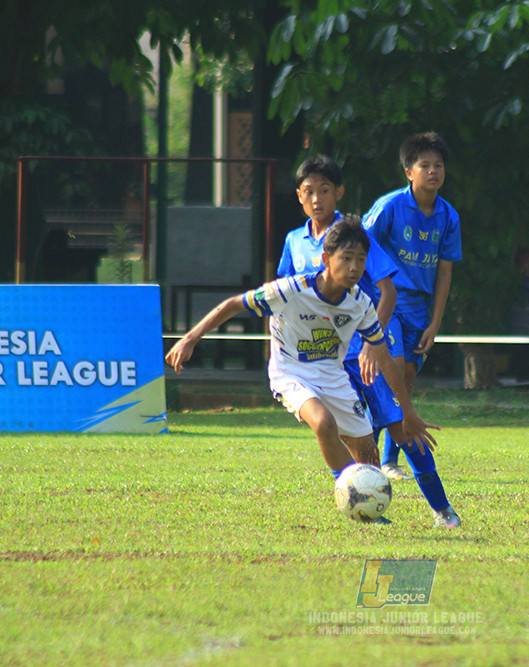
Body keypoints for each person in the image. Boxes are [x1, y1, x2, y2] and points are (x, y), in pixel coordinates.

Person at [165, 217, 438, 524]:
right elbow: (233, 304)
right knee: (323, 423)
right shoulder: (290, 290)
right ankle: (353, 495)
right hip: (290, 373)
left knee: (367, 453)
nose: (354, 268)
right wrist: (190, 338)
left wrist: (408, 411)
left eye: (361, 260)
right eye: (346, 258)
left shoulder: (360, 303)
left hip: (332, 374)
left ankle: (368, 506)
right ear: (326, 259)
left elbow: (384, 358)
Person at [278, 157, 461, 528]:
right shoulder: (294, 241)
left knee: (403, 428)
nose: (317, 199)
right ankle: (368, 511)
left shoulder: (354, 235)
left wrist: (369, 342)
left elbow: (387, 291)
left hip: (366, 352)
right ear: (299, 196)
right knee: (352, 438)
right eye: (309, 192)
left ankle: (443, 511)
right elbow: (285, 295)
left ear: (339, 193)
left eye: (324, 191)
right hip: (325, 361)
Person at [362, 132, 462, 481]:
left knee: (406, 380)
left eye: (438, 165)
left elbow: (445, 271)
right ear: (409, 172)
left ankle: (389, 460)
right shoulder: (389, 207)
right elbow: (359, 246)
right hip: (388, 302)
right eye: (425, 165)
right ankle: (367, 458)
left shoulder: (448, 216)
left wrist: (435, 322)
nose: (433, 171)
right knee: (390, 377)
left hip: (420, 309)